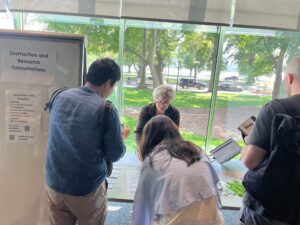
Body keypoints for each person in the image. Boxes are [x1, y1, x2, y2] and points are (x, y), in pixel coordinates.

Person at [45, 58, 130, 225]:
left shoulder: (59, 95)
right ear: (108, 83)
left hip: (54, 183)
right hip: (85, 189)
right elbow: (115, 153)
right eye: (113, 86)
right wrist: (122, 137)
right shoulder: (106, 109)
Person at [239, 57, 300, 225]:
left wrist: (249, 143)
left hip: (267, 208)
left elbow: (250, 161)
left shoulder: (276, 108)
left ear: (289, 78)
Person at [132, 115, 224, 225]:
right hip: (213, 220)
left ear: (149, 138)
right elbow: (215, 192)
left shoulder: (152, 161)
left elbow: (142, 207)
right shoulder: (197, 151)